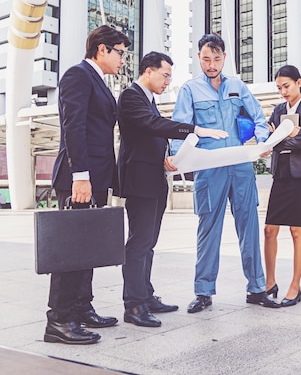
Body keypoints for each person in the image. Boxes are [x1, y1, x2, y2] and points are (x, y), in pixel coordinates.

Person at [117, 52, 228, 327]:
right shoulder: (131, 96)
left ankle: (145, 295)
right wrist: (195, 130)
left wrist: (168, 158)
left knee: (149, 243)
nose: (168, 81)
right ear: (148, 71)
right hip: (139, 182)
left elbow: (150, 134)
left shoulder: (149, 100)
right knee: (139, 243)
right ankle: (133, 306)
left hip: (153, 179)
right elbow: (153, 125)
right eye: (165, 75)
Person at [171, 33, 280, 312]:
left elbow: (258, 118)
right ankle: (203, 292)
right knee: (208, 229)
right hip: (209, 169)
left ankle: (257, 288)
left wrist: (262, 142)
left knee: (249, 227)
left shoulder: (238, 86)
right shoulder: (190, 90)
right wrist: (176, 157)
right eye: (206, 59)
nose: (211, 64)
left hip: (241, 165)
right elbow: (179, 128)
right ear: (199, 57)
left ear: (224, 58)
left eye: (217, 59)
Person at [47, 25, 131, 344]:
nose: (123, 59)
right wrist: (80, 175)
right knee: (70, 250)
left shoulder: (98, 81)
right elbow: (73, 126)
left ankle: (82, 308)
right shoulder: (77, 76)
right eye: (120, 52)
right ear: (102, 50)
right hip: (77, 179)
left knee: (86, 249)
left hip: (93, 179)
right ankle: (58, 320)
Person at [262, 65, 301, 307]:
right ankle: (270, 282)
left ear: (298, 82)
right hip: (281, 173)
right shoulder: (277, 110)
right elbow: (269, 138)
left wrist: (282, 137)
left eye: (286, 86)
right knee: (269, 230)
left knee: (297, 231)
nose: (283, 92)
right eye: (279, 88)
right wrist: (287, 135)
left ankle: (295, 287)